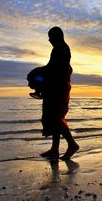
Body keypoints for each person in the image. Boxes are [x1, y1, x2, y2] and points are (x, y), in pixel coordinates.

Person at [40, 26, 79, 160]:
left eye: (51, 37)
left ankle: (72, 144)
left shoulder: (61, 49)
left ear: (58, 36)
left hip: (59, 90)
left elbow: (54, 69)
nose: (49, 40)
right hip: (56, 89)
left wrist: (37, 72)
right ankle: (54, 150)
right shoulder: (58, 49)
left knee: (56, 118)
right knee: (55, 119)